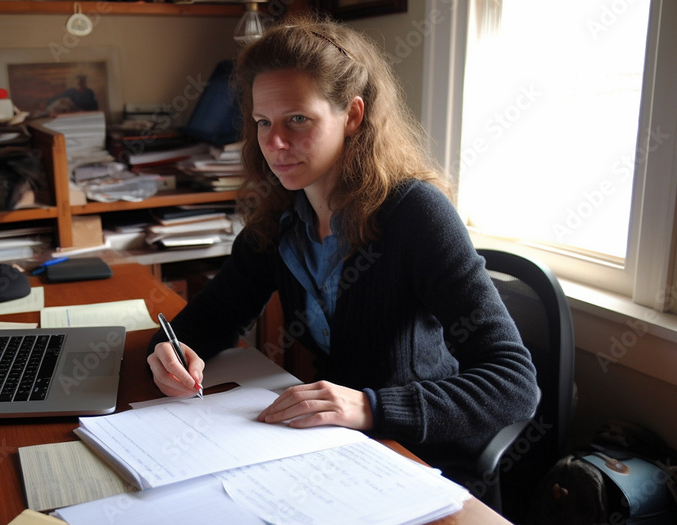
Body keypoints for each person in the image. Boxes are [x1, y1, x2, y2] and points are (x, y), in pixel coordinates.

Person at [147, 14, 538, 478]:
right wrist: (169, 353)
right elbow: (214, 315)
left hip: (420, 454)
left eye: (297, 120)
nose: (274, 143)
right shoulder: (282, 215)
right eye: (262, 121)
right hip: (335, 447)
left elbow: (514, 383)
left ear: (352, 115)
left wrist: (370, 406)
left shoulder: (415, 214)